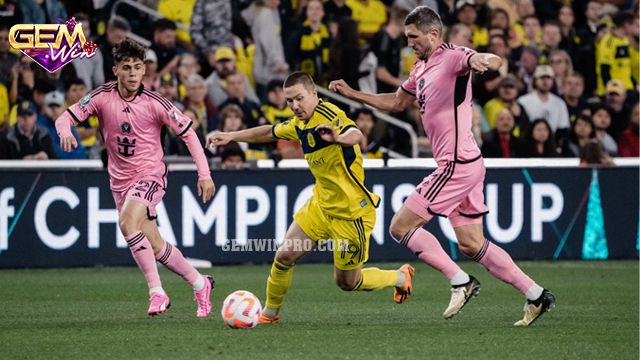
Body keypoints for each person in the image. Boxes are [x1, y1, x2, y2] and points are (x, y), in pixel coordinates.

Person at [329, 6, 555, 326]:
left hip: (456, 164)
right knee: (471, 243)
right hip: (468, 162)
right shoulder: (420, 68)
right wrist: (353, 93)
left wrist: (482, 60)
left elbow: (490, 59)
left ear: (433, 34)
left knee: (400, 227)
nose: (409, 43)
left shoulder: (452, 56)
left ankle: (460, 281)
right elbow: (396, 102)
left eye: (414, 37)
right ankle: (536, 295)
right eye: (407, 37)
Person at [207, 71, 414, 324]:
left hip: (351, 214)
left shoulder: (330, 115)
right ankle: (270, 314)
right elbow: (270, 132)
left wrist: (338, 138)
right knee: (284, 256)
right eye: (289, 101)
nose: (294, 106)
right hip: (320, 206)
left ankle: (400, 277)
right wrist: (231, 136)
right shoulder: (299, 123)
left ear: (314, 94)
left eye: (299, 99)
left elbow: (355, 134)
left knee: (348, 282)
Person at [54, 38, 216, 317]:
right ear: (115, 69)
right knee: (154, 243)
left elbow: (189, 133)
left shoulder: (156, 103)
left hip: (150, 174)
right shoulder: (101, 96)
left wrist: (204, 174)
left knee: (128, 222)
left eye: (137, 67)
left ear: (145, 71)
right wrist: (66, 131)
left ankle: (157, 293)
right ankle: (200, 283)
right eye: (126, 67)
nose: (132, 73)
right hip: (119, 180)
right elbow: (63, 118)